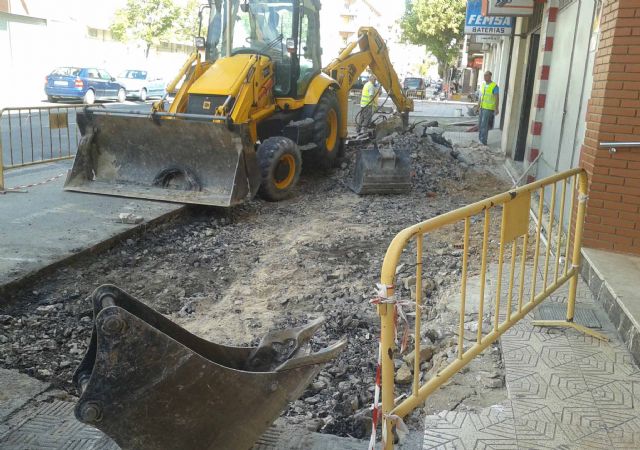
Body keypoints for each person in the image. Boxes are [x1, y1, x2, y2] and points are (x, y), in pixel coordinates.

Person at [478, 71, 500, 145]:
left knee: (484, 125)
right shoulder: (483, 85)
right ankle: (480, 140)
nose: (485, 77)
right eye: (484, 75)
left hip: (488, 109)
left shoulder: (494, 86)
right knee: (480, 124)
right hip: (482, 107)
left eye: (486, 75)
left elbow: (497, 98)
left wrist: (496, 108)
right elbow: (481, 96)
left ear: (490, 76)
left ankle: (483, 141)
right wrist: (478, 106)